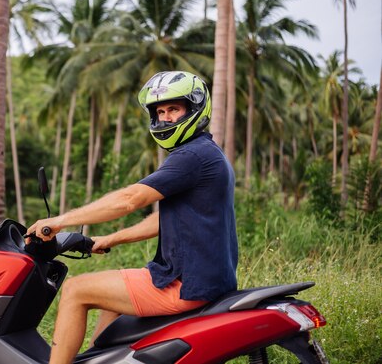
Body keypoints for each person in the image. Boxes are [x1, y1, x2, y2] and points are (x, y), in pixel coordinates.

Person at [27, 71, 238, 364]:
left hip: (188, 284)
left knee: (76, 290)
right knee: (112, 295)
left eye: (174, 110)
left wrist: (59, 221)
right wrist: (111, 238)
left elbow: (130, 199)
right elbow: (163, 220)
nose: (165, 118)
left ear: (195, 110)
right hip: (201, 277)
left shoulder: (192, 156)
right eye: (160, 112)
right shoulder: (207, 153)